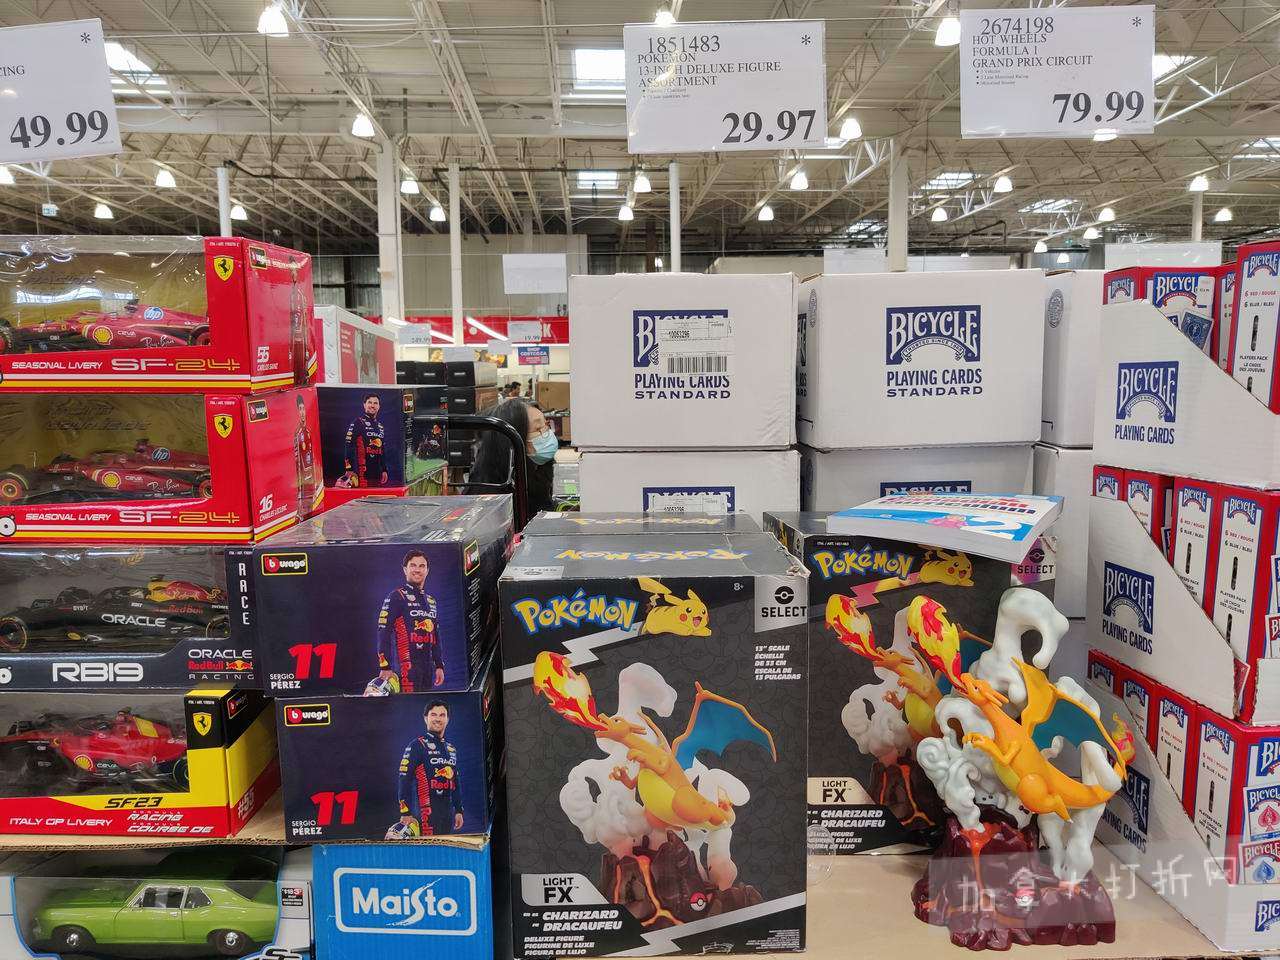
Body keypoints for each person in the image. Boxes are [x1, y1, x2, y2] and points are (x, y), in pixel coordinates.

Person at [468, 398, 556, 518]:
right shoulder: (490, 500)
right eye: (537, 428)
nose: (547, 432)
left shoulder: (538, 471)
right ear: (510, 442)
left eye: (545, 425)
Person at [376, 550, 444, 692]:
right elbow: (383, 632)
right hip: (405, 667)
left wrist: (439, 665)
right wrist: (385, 666)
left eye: (422, 566)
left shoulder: (431, 601)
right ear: (405, 569)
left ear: (427, 571)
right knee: (409, 704)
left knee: (424, 703)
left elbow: (435, 636)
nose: (417, 570)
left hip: (427, 669)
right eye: (413, 565)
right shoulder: (396, 596)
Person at [397, 700, 465, 836]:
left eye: (442, 715)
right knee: (428, 846)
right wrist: (405, 812)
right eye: (434, 715)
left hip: (447, 814)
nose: (438, 719)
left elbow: (455, 782)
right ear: (425, 718)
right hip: (425, 811)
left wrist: (458, 810)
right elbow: (404, 779)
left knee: (443, 846)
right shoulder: (417, 745)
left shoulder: (451, 749)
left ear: (447, 719)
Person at [343, 393, 388, 487]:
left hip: (377, 473)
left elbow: (382, 450)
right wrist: (349, 469)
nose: (372, 405)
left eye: (375, 403)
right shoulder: (358, 422)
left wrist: (384, 470)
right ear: (364, 405)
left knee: (377, 495)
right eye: (370, 402)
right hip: (361, 472)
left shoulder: (380, 427)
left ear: (379, 406)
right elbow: (348, 445)